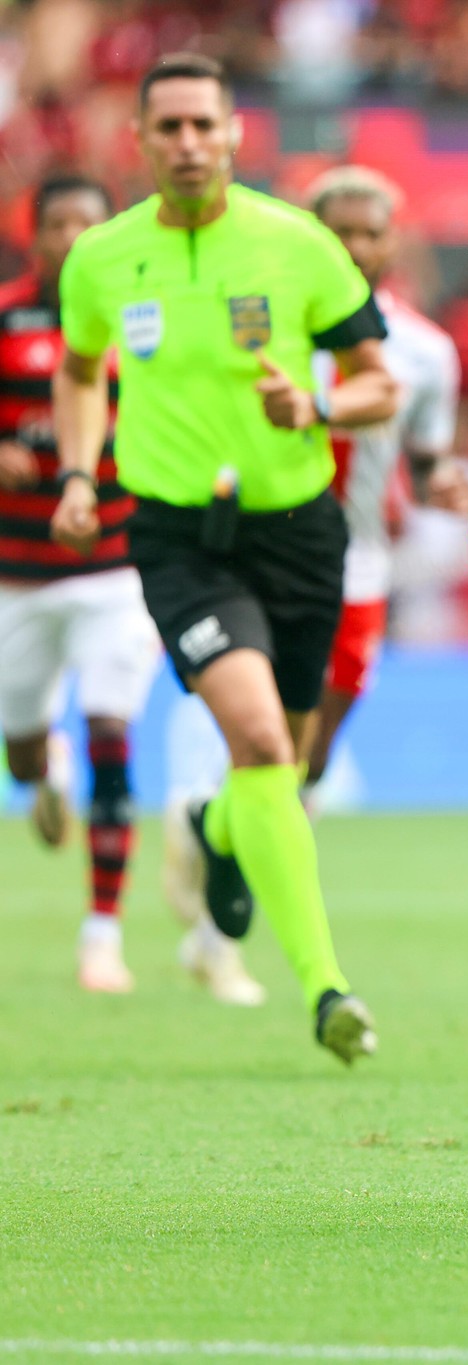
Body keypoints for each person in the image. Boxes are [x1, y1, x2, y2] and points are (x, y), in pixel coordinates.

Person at [51, 52, 399, 1063]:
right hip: (176, 537)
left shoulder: (298, 246)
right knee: (255, 742)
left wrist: (319, 403)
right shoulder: (103, 259)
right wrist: (81, 475)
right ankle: (328, 988)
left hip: (297, 530)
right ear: (141, 141)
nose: (189, 144)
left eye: (205, 125)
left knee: (280, 765)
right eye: (169, 129)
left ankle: (218, 834)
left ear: (234, 133)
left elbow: (379, 382)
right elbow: (80, 374)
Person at [0, 175, 159, 994]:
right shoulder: (6, 316)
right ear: (34, 234)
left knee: (113, 734)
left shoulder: (142, 318)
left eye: (85, 223)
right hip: (18, 577)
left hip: (115, 570)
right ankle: (44, 767)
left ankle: (103, 933)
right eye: (55, 222)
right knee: (20, 756)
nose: (70, 237)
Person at [301, 166, 468, 792]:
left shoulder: (423, 351)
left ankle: (229, 832)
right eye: (337, 231)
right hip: (269, 548)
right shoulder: (270, 329)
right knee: (271, 728)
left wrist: (442, 481)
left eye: (369, 233)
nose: (353, 247)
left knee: (316, 749)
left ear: (391, 243)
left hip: (360, 558)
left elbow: (425, 465)